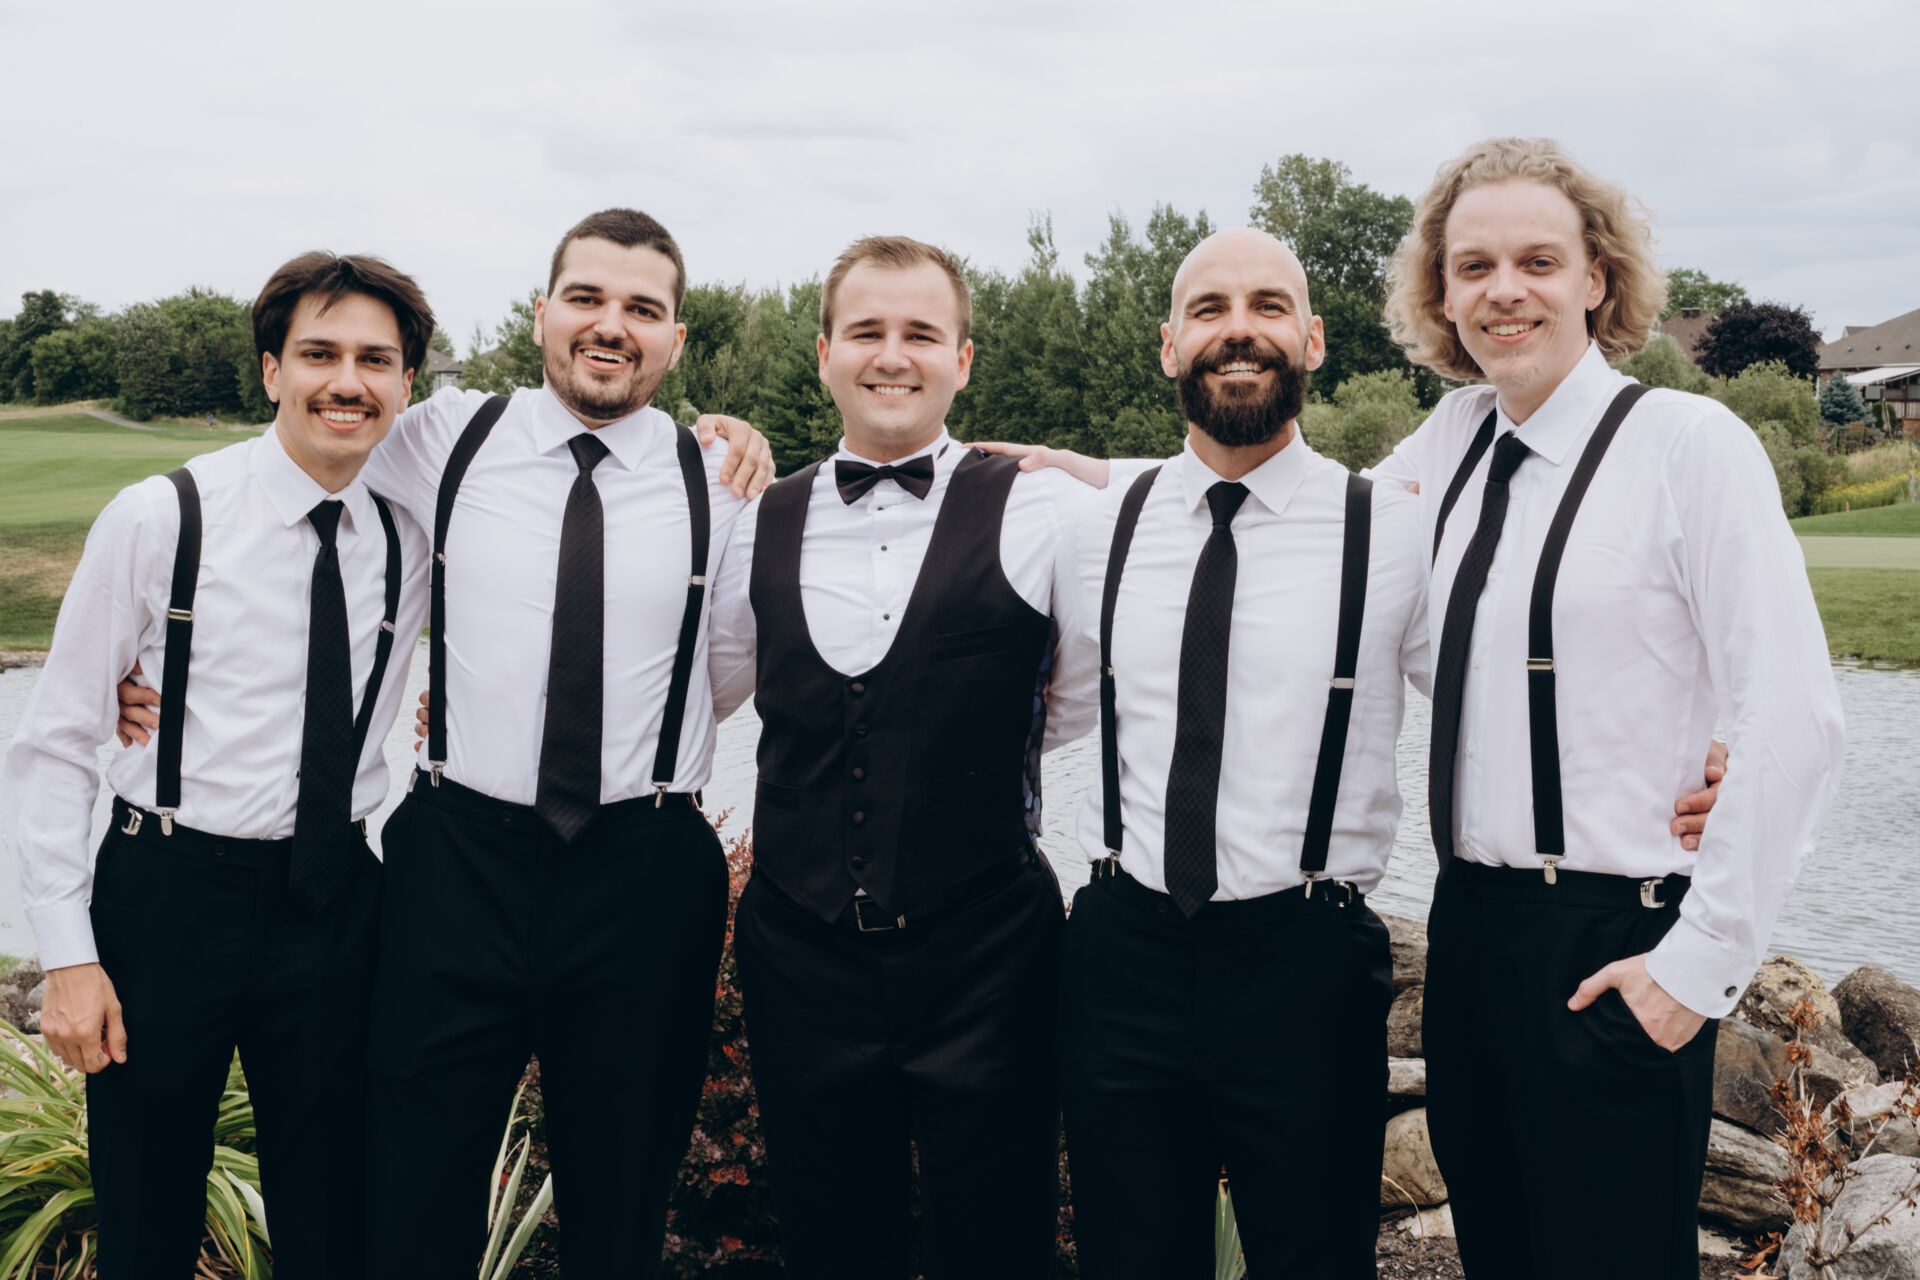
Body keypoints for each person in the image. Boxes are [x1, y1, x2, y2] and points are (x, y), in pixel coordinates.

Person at [1368, 136, 1845, 1279]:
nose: (1505, 290)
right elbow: (1301, 534)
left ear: (1596, 276)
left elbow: (1794, 711)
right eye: (1474, 266)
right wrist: (1098, 489)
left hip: (1614, 941)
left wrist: (1694, 970)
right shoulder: (1450, 442)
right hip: (1471, 934)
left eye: (1538, 260)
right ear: (1443, 294)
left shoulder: (1690, 444)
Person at [3, 252, 437, 1278]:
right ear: (271, 369)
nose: (347, 381)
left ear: (406, 382)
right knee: (146, 1214)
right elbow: (55, 739)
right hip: (168, 892)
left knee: (332, 1218)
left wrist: (717, 443)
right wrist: (67, 955)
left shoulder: (413, 533)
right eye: (319, 353)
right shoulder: (162, 516)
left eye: (374, 359)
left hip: (336, 898)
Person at [701, 235, 1120, 1279]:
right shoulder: (752, 519)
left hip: (989, 952)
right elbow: (713, 690)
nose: (893, 355)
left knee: (1001, 1242)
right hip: (800, 956)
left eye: (922, 333)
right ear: (825, 354)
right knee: (833, 1243)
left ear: (963, 360)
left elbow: (1077, 694)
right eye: (867, 331)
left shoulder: (1048, 509)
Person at [1040, 227, 1430, 1278]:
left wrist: (1703, 748)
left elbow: (1494, 709)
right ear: (1170, 345)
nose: (1239, 329)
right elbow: (1037, 710)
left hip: (1307, 960)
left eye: (1268, 305)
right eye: (1209, 309)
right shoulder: (1096, 528)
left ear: (1313, 339)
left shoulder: (1393, 532)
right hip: (1122, 950)